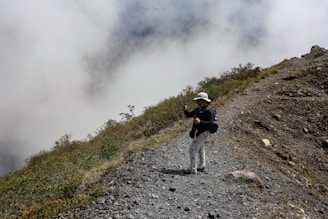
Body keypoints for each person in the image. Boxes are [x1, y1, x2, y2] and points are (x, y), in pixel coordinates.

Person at [182, 92, 214, 174]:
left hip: (203, 133)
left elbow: (210, 123)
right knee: (200, 149)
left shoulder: (208, 111)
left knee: (192, 149)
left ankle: (193, 169)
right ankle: (202, 165)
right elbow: (189, 115)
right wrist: (185, 110)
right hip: (198, 133)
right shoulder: (198, 110)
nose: (197, 102)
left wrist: (200, 122)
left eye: (199, 100)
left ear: (204, 101)